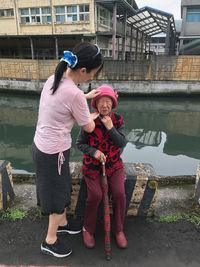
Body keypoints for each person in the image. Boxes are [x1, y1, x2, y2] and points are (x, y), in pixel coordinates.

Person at [32, 42, 103, 258]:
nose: (92, 77)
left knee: (59, 186)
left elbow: (67, 99)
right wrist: (91, 116)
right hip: (54, 153)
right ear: (83, 71)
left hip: (43, 147)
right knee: (57, 194)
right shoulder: (73, 94)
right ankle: (50, 240)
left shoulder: (54, 79)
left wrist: (85, 97)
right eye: (93, 73)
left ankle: (62, 222)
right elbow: (89, 128)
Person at [76, 85, 127, 249]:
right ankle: (88, 229)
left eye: (108, 102)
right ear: (96, 104)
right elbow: (80, 144)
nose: (104, 105)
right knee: (96, 196)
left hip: (114, 165)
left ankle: (118, 229)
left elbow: (122, 143)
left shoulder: (118, 120)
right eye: (101, 102)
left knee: (119, 193)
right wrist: (94, 152)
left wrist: (110, 128)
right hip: (93, 166)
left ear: (113, 103)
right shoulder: (88, 120)